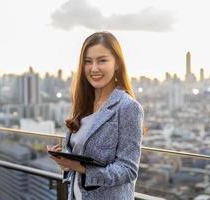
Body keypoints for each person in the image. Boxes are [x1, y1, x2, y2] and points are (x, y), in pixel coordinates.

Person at [47, 31, 145, 200]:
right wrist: (64, 160)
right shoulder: (83, 104)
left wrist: (81, 168)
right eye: (88, 62)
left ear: (117, 64)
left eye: (102, 60)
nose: (94, 68)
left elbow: (128, 170)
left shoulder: (128, 107)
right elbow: (81, 156)